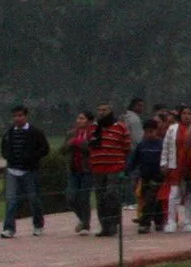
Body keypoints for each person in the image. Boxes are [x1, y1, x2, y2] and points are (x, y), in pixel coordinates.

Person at [0, 104, 50, 238]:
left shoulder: (35, 132)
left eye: (20, 115)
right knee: (11, 200)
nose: (17, 118)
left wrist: (32, 158)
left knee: (34, 199)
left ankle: (38, 225)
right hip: (12, 171)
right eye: (15, 116)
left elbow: (44, 149)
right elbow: (4, 149)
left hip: (29, 171)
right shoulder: (9, 133)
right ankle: (9, 228)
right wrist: (8, 157)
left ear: (26, 116)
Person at [89, 101, 131, 236]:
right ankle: (105, 226)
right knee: (100, 197)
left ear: (110, 111)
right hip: (98, 168)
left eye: (104, 110)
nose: (101, 112)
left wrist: (124, 165)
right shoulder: (94, 128)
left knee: (111, 194)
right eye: (99, 110)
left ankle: (114, 222)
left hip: (115, 167)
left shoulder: (120, 127)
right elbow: (89, 145)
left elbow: (127, 147)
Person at [132, 114, 166, 234]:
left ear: (157, 131)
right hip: (145, 176)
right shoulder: (142, 145)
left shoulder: (162, 145)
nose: (149, 134)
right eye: (147, 131)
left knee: (152, 199)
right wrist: (126, 171)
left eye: (152, 131)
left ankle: (145, 223)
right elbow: (134, 160)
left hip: (158, 176)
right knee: (150, 200)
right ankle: (159, 222)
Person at [65, 111, 96, 233]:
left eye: (82, 118)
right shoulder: (71, 133)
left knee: (84, 197)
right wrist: (70, 143)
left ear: (89, 121)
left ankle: (86, 224)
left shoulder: (93, 134)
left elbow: (92, 149)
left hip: (88, 170)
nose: (79, 121)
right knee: (71, 197)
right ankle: (82, 219)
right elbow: (63, 149)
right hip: (74, 170)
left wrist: (79, 143)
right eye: (78, 118)